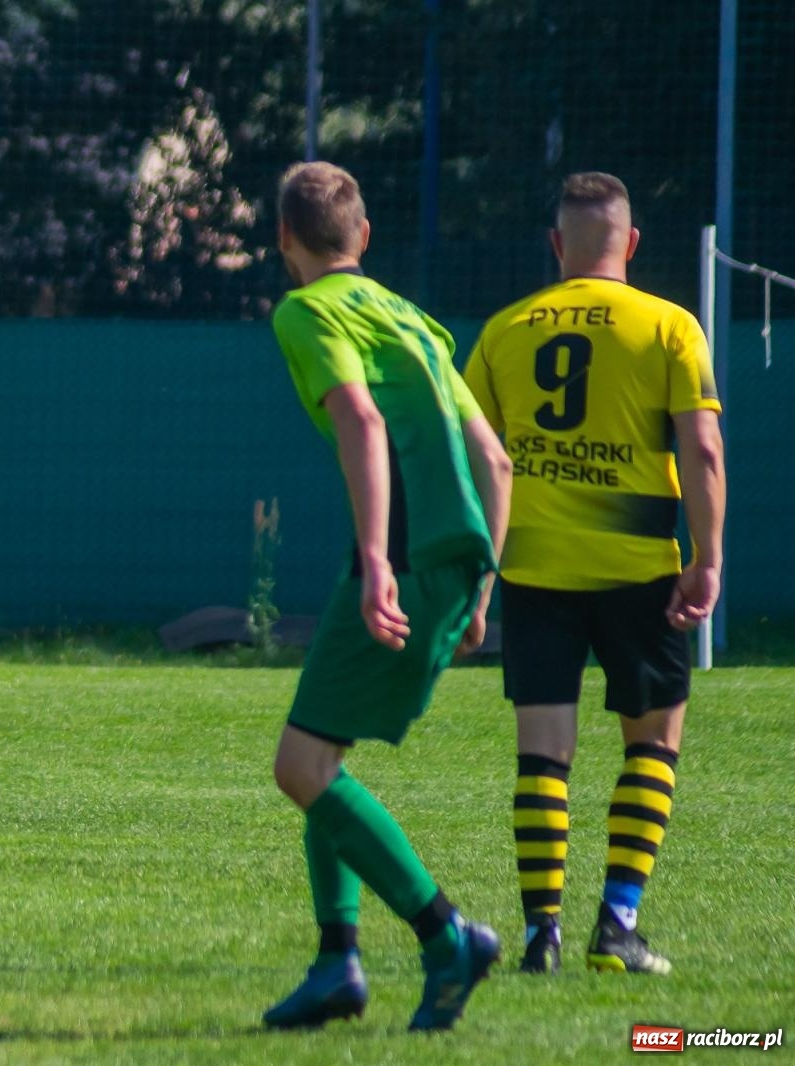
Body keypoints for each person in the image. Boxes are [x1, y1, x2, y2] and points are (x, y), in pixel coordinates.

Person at [262, 162, 513, 1033]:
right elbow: (496, 461)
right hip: (454, 554)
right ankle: (338, 962)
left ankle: (446, 937)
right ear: (363, 237)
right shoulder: (411, 316)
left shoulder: (305, 310)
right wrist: (482, 583)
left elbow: (363, 423)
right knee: (321, 753)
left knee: (301, 769)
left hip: (401, 555)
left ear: (284, 239)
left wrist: (377, 562)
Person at [463, 172, 724, 975]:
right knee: (654, 743)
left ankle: (540, 933)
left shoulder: (505, 331)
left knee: (543, 756)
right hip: (639, 567)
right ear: (631, 243)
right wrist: (708, 559)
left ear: (555, 246)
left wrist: (476, 577)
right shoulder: (670, 326)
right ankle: (616, 926)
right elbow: (702, 450)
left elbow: (475, 461)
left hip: (535, 567)